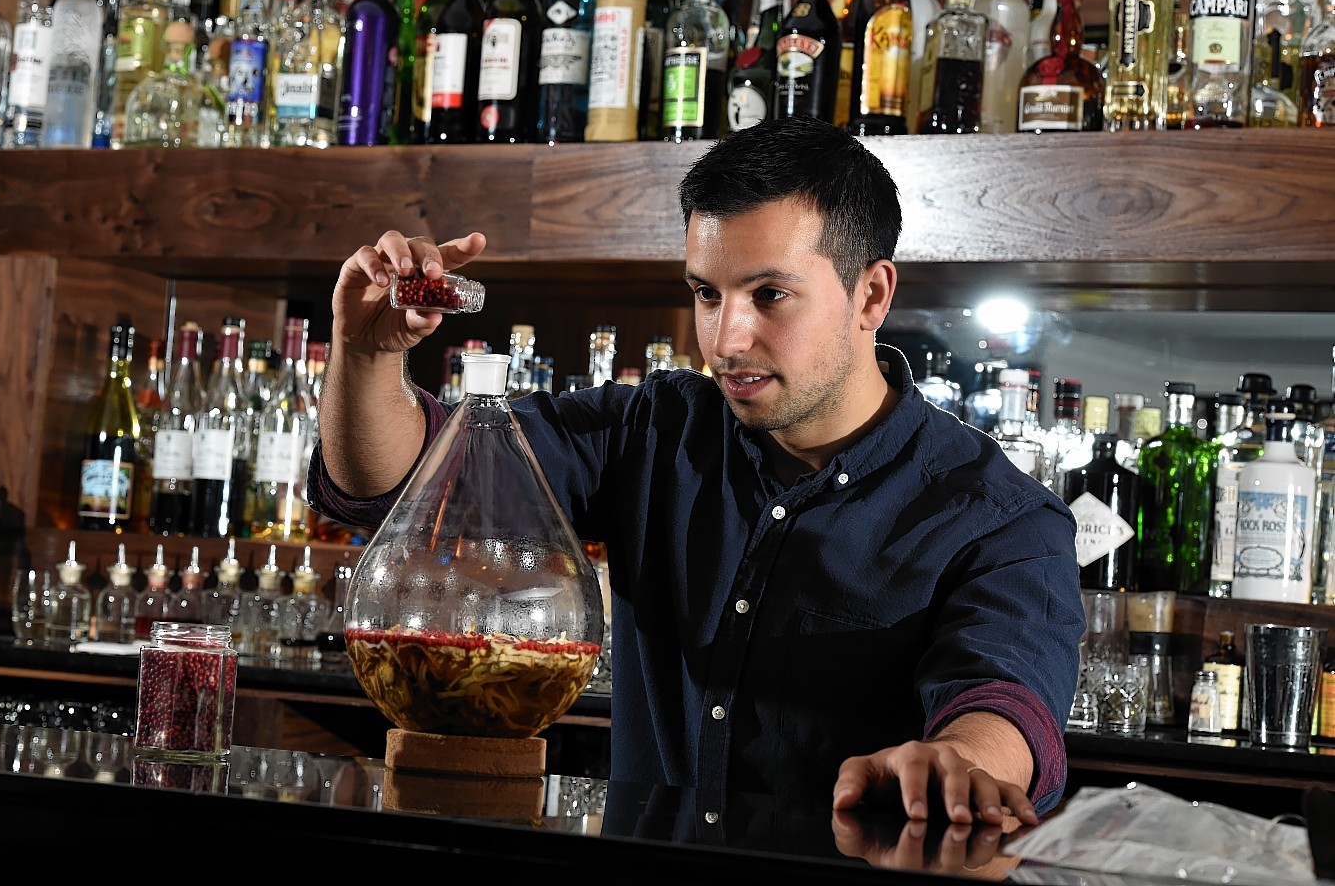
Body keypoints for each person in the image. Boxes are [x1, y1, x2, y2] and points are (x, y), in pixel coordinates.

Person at [308, 115, 1084, 826]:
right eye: (706, 294)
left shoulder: (998, 518)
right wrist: (369, 355)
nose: (727, 338)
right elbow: (401, 484)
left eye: (769, 294)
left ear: (870, 294)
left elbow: (1006, 700)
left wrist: (959, 764)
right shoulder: (652, 429)